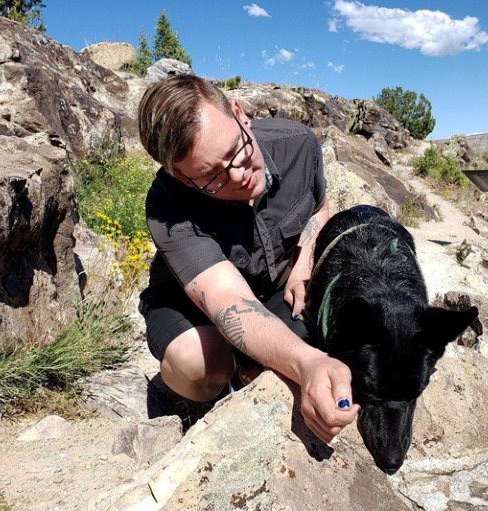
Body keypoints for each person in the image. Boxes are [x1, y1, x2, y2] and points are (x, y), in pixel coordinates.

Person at [136, 75, 359, 443]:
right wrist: (306, 363)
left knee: (335, 343)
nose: (239, 176)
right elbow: (228, 300)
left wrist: (303, 264)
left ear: (240, 114)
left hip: (274, 289)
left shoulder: (298, 145)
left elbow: (318, 209)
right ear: (183, 178)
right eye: (212, 177)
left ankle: (246, 370)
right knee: (196, 361)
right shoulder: (167, 205)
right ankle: (210, 392)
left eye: (237, 151)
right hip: (193, 304)